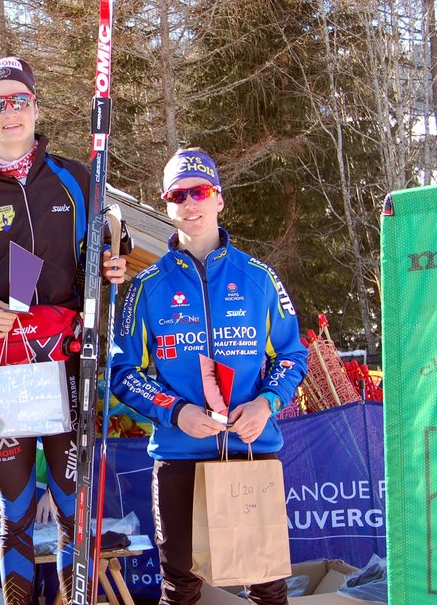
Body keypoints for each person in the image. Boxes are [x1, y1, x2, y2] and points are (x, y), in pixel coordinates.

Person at [0, 57, 127, 605]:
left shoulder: (76, 178)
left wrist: (114, 262)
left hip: (68, 364)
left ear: (35, 106)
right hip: (8, 370)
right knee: (16, 515)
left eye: (19, 99)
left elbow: (103, 250)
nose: (10, 112)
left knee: (73, 510)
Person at [108, 148, 309, 605]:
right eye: (177, 195)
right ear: (167, 205)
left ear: (219, 198)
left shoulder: (259, 278)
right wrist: (176, 411)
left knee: (266, 586)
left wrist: (266, 403)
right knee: (180, 588)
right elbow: (123, 371)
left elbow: (292, 354)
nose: (189, 203)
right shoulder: (147, 286)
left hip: (250, 451)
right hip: (179, 456)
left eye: (199, 191)